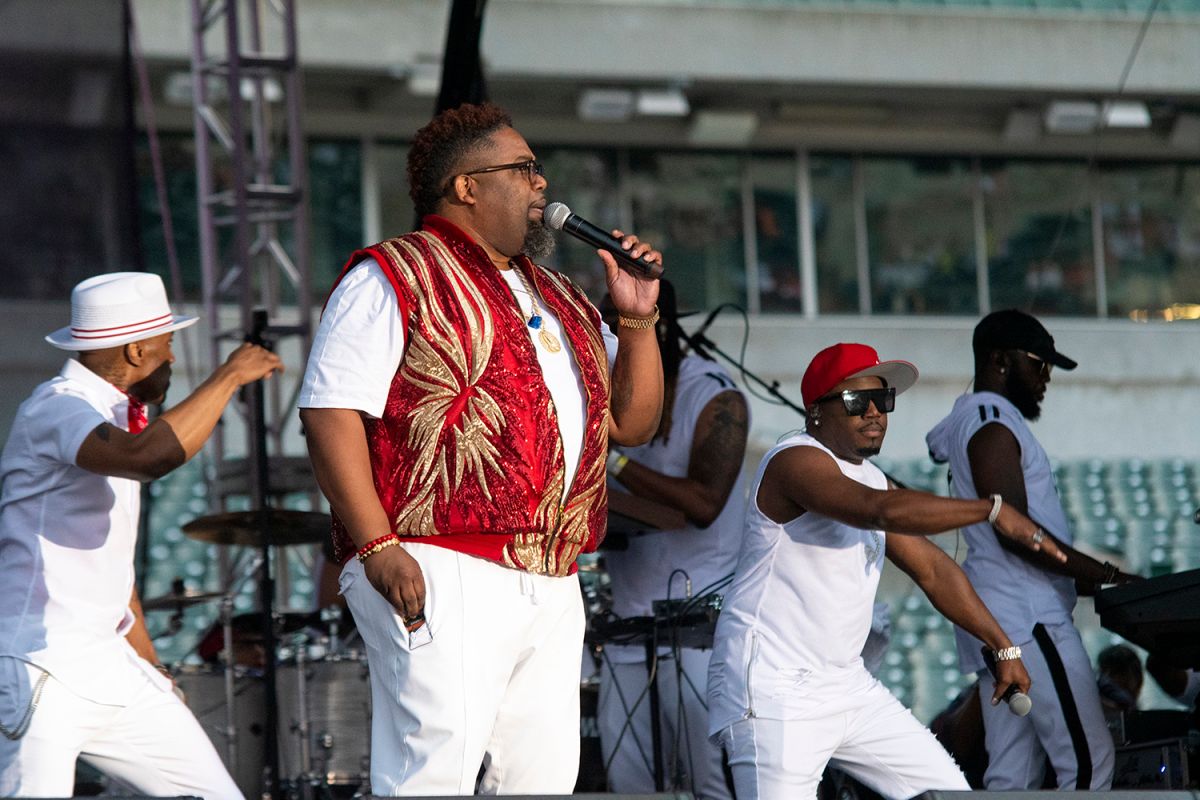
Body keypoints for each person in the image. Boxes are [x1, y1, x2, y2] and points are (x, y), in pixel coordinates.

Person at [298, 102, 664, 796]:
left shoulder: (564, 296)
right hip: (440, 557)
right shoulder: (394, 274)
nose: (541, 188)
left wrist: (638, 317)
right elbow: (330, 412)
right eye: (524, 170)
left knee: (541, 782)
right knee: (430, 774)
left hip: (553, 573)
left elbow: (634, 425)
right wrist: (378, 547)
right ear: (467, 186)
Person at [707, 342, 1063, 800]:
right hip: (775, 686)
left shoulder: (872, 477)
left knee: (949, 794)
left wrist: (1003, 646)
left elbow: (933, 569)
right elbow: (877, 511)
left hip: (846, 684)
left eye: (884, 399)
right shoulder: (793, 460)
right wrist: (990, 510)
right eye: (857, 401)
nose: (875, 412)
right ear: (815, 410)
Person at [0, 271, 282, 799]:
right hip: (43, 665)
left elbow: (111, 570)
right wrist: (228, 376)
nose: (173, 358)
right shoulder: (58, 406)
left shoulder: (116, 418)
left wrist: (151, 668)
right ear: (135, 350)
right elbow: (147, 460)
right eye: (168, 344)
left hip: (112, 666)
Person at [926, 308, 1138, 791]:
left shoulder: (973, 417)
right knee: (1089, 763)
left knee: (1012, 776)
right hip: (1029, 617)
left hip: (1003, 614)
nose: (1045, 378)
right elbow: (1015, 530)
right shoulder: (993, 420)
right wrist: (1108, 575)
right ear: (999, 361)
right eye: (1037, 364)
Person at [598, 280, 748, 799]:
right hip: (625, 630)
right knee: (629, 784)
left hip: (695, 630)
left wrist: (611, 459)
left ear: (655, 327)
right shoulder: (604, 392)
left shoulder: (715, 395)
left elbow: (704, 504)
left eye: (620, 331)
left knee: (710, 784)